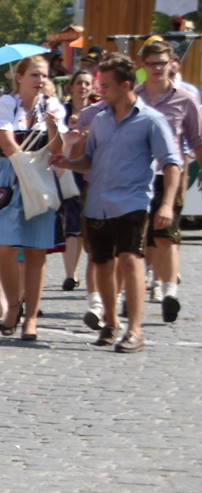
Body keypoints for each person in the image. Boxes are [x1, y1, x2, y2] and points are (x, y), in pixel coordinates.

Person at [54, 53, 182, 354]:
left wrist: (165, 205)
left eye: (106, 85)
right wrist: (68, 162)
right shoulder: (99, 121)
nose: (101, 91)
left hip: (133, 201)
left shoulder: (151, 120)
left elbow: (171, 163)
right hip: (98, 202)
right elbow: (90, 162)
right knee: (101, 263)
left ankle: (135, 330)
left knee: (130, 260)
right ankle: (111, 323)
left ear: (126, 85)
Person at [0, 54, 66, 341]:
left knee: (35, 250)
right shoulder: (7, 104)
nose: (40, 80)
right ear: (19, 77)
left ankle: (31, 317)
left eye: (43, 75)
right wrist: (24, 168)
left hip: (40, 176)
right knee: (3, 247)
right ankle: (12, 307)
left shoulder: (53, 106)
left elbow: (57, 149)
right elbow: (5, 142)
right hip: (10, 177)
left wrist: (53, 126)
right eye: (34, 74)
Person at [136, 38, 199, 322]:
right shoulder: (134, 97)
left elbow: (196, 139)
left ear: (171, 64)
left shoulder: (186, 99)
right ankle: (134, 289)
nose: (157, 68)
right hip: (136, 176)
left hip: (170, 175)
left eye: (162, 63)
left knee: (167, 235)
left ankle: (169, 292)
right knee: (137, 238)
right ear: (144, 66)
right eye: (152, 64)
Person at [60, 68, 97, 293]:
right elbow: (53, 140)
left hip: (91, 172)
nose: (83, 87)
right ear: (71, 87)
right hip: (66, 170)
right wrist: (68, 130)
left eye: (87, 83)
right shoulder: (60, 110)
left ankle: (81, 272)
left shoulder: (97, 112)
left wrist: (88, 131)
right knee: (70, 222)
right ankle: (70, 275)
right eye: (79, 83)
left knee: (86, 223)